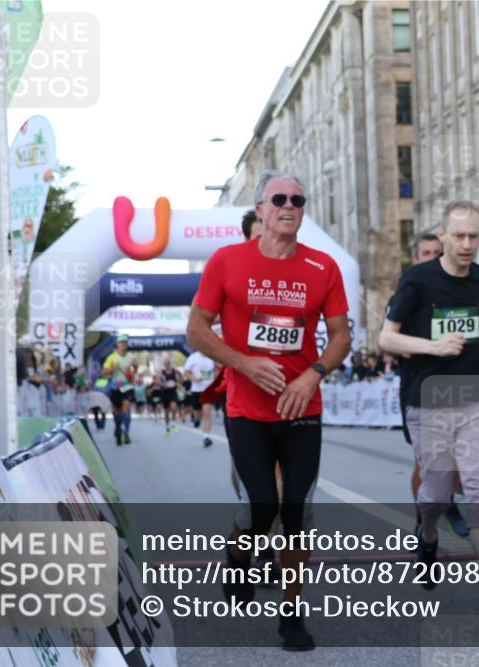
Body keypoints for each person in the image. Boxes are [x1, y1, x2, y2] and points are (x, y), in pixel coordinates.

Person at [187, 171, 351, 651]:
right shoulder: (227, 261)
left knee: (296, 514)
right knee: (260, 508)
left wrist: (312, 374)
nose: (289, 206)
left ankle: (292, 615)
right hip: (248, 410)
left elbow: (341, 336)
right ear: (260, 209)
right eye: (279, 199)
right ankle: (240, 555)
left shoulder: (322, 266)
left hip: (302, 408)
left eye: (298, 200)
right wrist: (244, 364)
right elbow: (196, 330)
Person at [378, 200, 479, 623]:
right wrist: (433, 346)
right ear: (442, 235)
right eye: (458, 235)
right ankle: (427, 535)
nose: (466, 244)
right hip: (430, 400)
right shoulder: (417, 279)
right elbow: (387, 338)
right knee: (437, 494)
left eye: (473, 236)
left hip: (477, 395)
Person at [393, 233, 470, 543]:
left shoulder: (460, 292)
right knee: (425, 461)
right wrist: (425, 345)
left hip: (458, 385)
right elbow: (389, 341)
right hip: (420, 387)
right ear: (415, 259)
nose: (432, 258)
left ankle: (446, 503)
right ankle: (423, 520)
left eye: (437, 253)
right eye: (425, 253)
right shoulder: (406, 292)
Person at [102, 335, 136, 445]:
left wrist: (133, 368)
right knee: (117, 411)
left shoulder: (131, 357)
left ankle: (126, 434)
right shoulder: (112, 357)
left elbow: (134, 370)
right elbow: (104, 372)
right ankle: (118, 427)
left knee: (126, 408)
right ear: (117, 344)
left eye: (125, 343)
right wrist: (113, 368)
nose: (123, 345)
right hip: (115, 387)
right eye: (121, 343)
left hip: (127, 386)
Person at [183, 348, 217, 447]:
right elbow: (186, 372)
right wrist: (194, 379)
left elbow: (217, 369)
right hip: (196, 389)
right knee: (198, 411)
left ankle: (206, 437)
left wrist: (215, 375)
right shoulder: (193, 357)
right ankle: (197, 419)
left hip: (208, 389)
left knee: (207, 412)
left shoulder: (212, 356)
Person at [158, 357, 182, 434]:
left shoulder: (175, 371)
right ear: (164, 364)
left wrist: (179, 383)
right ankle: (167, 426)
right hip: (165, 392)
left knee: (174, 407)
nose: (167, 365)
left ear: (170, 364)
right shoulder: (161, 372)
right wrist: (163, 384)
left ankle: (173, 423)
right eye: (165, 363)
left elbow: (181, 376)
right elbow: (157, 382)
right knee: (166, 411)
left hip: (173, 392)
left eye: (168, 363)